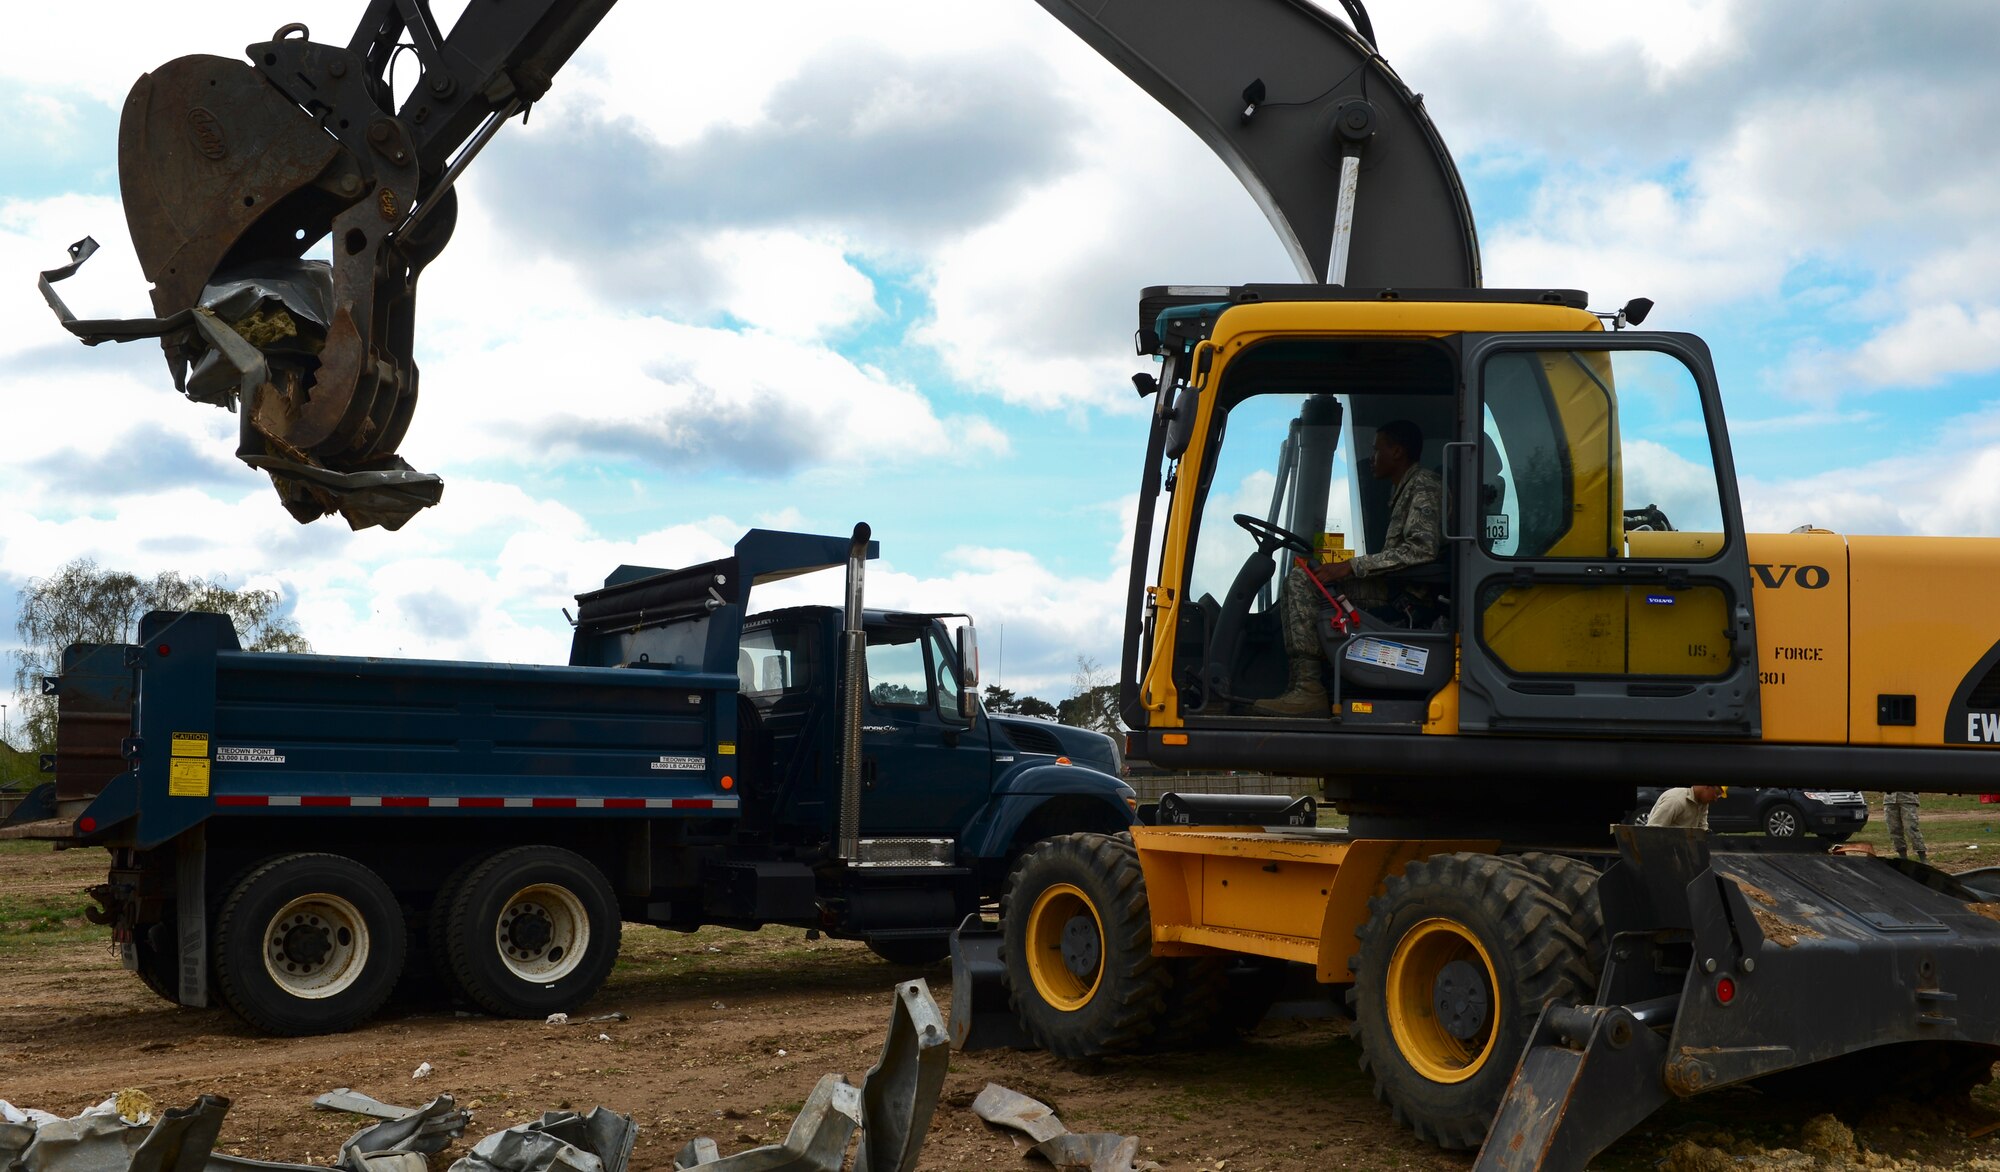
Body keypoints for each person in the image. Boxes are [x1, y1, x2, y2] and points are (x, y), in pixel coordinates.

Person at [1255, 420, 1445, 717]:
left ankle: (1309, 689)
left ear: (1397, 452)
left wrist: (1350, 567)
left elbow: (1421, 550)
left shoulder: (1423, 486)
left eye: (1377, 450)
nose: (1372, 458)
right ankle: (1300, 684)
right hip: (1394, 586)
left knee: (1304, 582)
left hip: (1407, 597)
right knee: (1306, 576)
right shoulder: (1405, 488)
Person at [1647, 785, 1723, 830]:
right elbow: (1653, 829)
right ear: (1707, 786)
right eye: (1716, 794)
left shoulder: (1703, 802)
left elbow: (1702, 827)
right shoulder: (1675, 800)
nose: (1715, 799)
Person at [1884, 791, 1927, 862]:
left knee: (1911, 828)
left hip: (1908, 798)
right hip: (1890, 799)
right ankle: (1903, 858)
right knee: (1893, 829)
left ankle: (1922, 856)